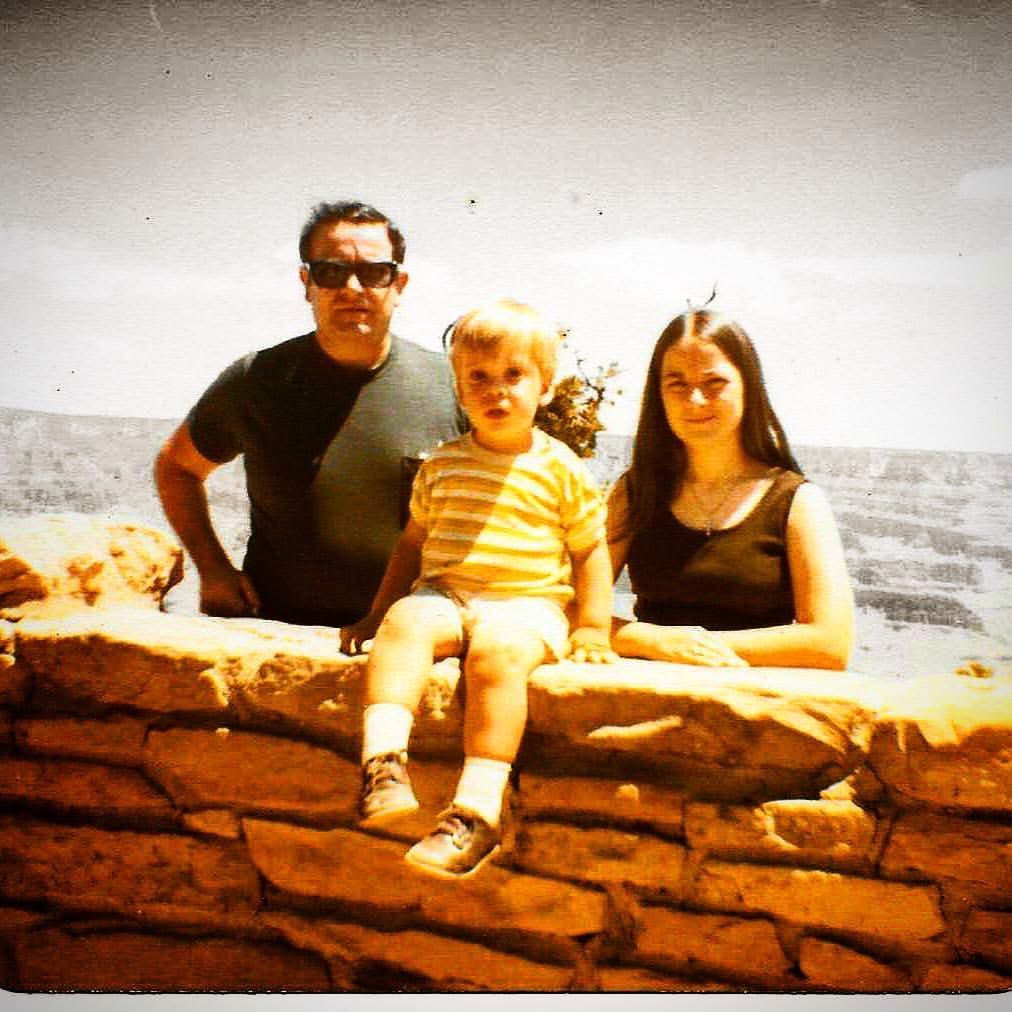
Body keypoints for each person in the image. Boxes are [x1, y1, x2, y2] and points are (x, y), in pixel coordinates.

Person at [340, 298, 616, 878]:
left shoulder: (561, 468)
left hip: (528, 605)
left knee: (497, 656)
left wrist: (592, 627)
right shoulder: (441, 466)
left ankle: (477, 810)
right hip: (447, 596)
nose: (496, 391)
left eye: (514, 375)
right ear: (460, 390)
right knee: (405, 624)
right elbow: (412, 545)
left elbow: (589, 550)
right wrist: (376, 613)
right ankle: (382, 765)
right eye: (479, 378)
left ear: (545, 386)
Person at [154, 200, 462, 627]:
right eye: (331, 271)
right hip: (278, 634)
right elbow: (177, 468)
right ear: (307, 282)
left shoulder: (452, 385)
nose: (352, 287)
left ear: (399, 284)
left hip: (411, 640)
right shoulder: (256, 379)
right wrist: (213, 569)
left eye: (374, 272)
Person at [607, 308, 854, 670]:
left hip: (754, 701)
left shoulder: (796, 502)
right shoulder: (635, 493)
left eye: (714, 383)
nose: (695, 400)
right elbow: (564, 608)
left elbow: (830, 642)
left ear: (748, 386)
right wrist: (656, 641)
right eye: (677, 384)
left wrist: (693, 647)